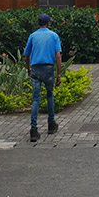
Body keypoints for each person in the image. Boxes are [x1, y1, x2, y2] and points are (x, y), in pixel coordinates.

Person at [24, 13, 62, 142]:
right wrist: (59, 74)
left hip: (35, 68)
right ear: (48, 23)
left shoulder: (32, 36)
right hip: (48, 68)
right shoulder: (54, 36)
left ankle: (33, 129)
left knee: (36, 99)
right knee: (49, 95)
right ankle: (51, 124)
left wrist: (29, 69)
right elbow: (58, 56)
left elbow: (27, 55)